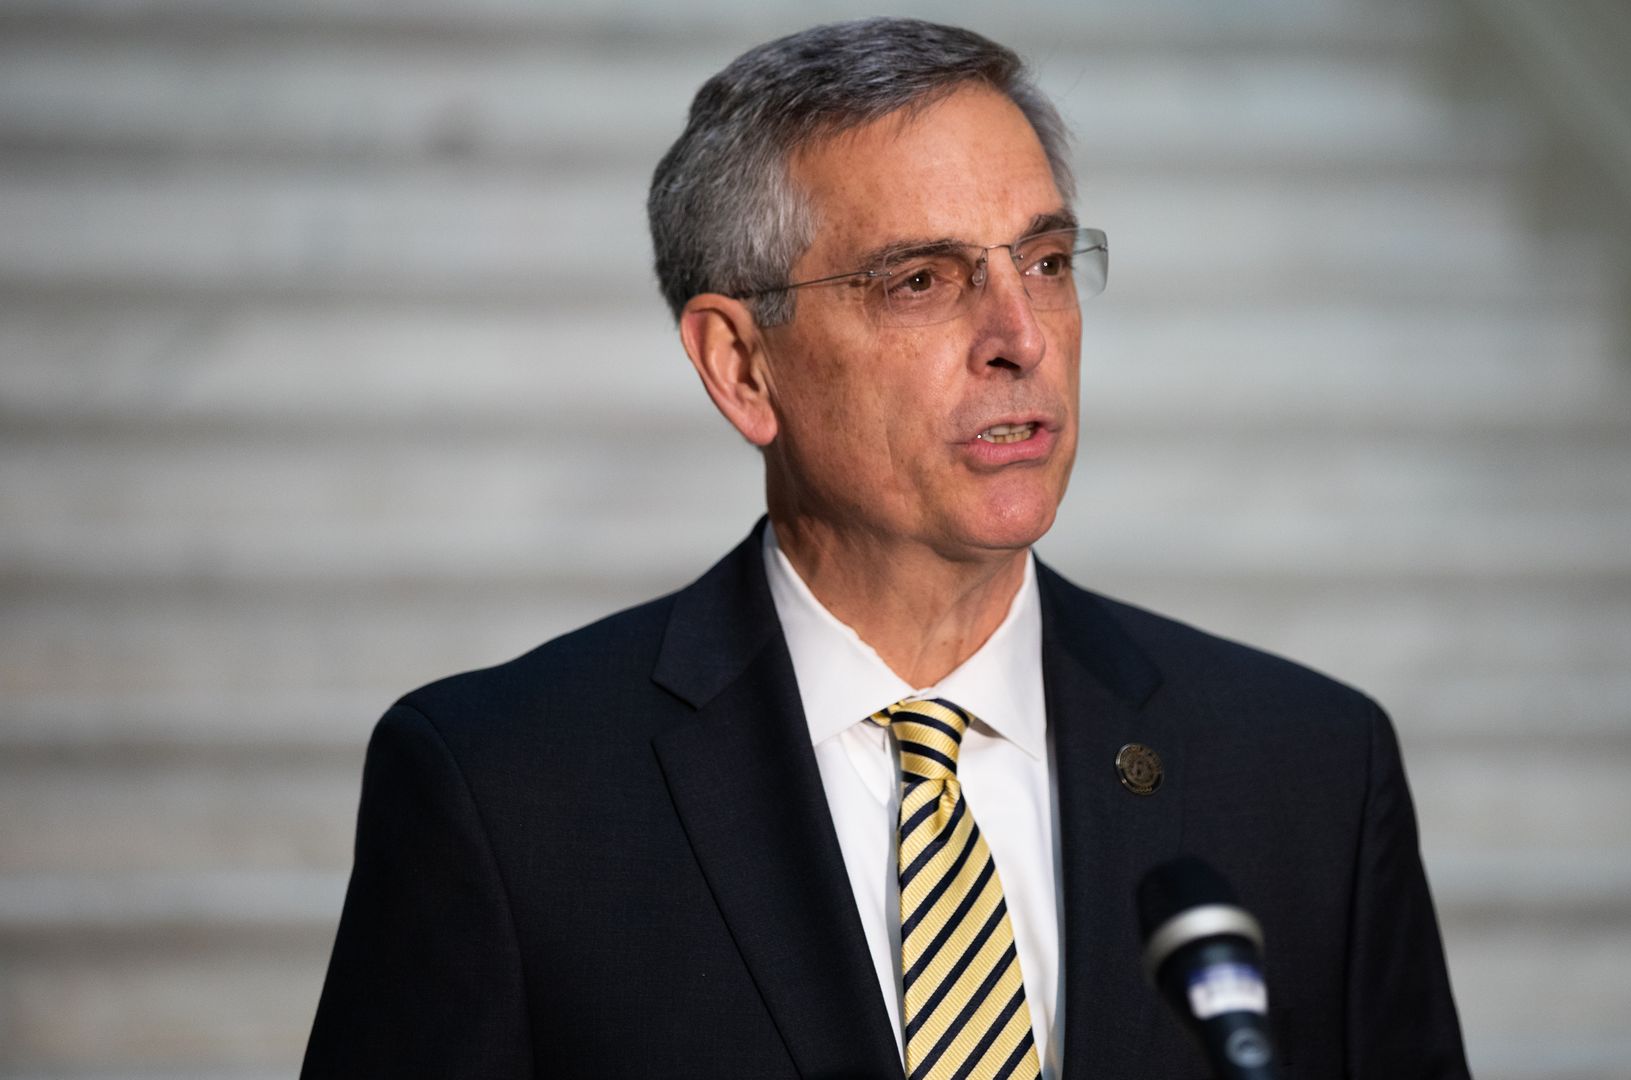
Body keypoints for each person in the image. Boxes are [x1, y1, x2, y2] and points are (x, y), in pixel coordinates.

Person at [301, 17, 1469, 1080]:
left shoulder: (1307, 772)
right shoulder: (506, 793)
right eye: (921, 282)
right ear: (741, 367)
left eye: (1047, 264)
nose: (1020, 338)